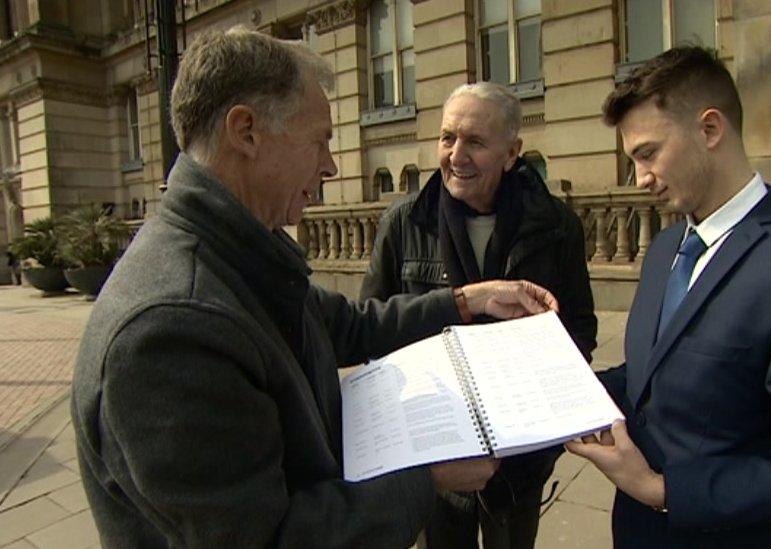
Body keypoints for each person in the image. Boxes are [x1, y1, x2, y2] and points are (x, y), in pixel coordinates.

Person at [71, 28, 559, 548]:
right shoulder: (172, 327)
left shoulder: (238, 253)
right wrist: (429, 476)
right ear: (247, 131)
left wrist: (469, 298)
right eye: (320, 140)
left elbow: (347, 323)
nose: (329, 165)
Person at [564, 46, 771, 548]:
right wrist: (558, 393)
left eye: (647, 154)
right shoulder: (666, 247)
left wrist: (660, 490)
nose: (640, 179)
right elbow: (652, 377)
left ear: (710, 130)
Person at [359, 81, 596, 549]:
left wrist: (546, 403)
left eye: (475, 142)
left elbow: (580, 330)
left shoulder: (556, 226)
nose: (456, 155)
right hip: (437, 455)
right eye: (448, 138)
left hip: (521, 458)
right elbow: (372, 328)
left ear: (512, 153)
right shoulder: (404, 222)